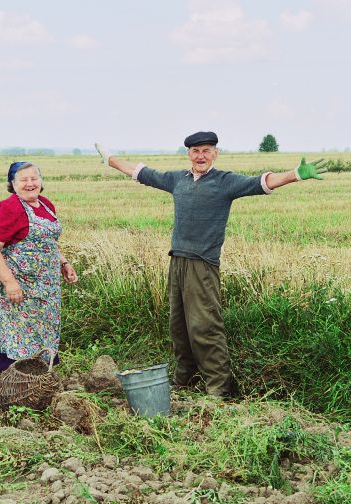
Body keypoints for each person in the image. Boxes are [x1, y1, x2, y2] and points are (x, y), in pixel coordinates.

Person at [95, 132, 327, 399]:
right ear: (188, 154)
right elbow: (143, 173)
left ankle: (219, 388)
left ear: (215, 153)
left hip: (202, 265)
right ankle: (184, 379)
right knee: (179, 326)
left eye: (206, 150)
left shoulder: (224, 182)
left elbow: (261, 182)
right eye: (195, 151)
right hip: (178, 261)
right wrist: (111, 160)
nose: (201, 156)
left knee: (204, 327)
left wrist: (294, 174)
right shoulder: (177, 180)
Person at [0, 161, 78, 373]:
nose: (30, 184)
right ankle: (17, 380)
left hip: (47, 288)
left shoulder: (45, 204)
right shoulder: (9, 208)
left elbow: (48, 242)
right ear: (12, 184)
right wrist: (10, 283)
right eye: (23, 179)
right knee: (21, 333)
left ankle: (41, 377)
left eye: (34, 178)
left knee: (45, 330)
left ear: (41, 181)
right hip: (21, 288)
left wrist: (64, 263)